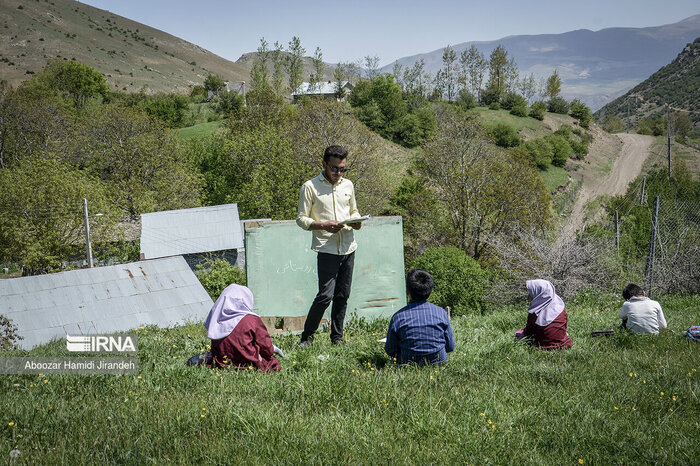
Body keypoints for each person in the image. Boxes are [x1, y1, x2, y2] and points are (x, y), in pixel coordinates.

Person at [296, 145, 362, 346]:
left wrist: (357, 220)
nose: (338, 173)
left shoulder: (348, 185)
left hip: (349, 246)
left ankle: (337, 338)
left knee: (342, 295)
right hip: (327, 249)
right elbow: (301, 219)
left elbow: (354, 211)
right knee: (325, 296)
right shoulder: (310, 187)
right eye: (334, 168)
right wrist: (323, 225)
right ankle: (306, 338)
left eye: (342, 169)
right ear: (324, 164)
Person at [203, 284, 281, 372]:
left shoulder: (216, 317)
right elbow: (266, 347)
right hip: (248, 362)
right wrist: (271, 349)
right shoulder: (252, 320)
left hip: (222, 362)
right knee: (272, 362)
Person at [385, 269, 456, 365]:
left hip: (407, 364)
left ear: (407, 291)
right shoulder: (441, 313)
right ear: (430, 290)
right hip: (439, 362)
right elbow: (450, 347)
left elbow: (390, 350)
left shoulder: (398, 317)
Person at [518, 279, 573, 349]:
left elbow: (529, 331)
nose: (529, 296)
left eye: (531, 293)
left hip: (543, 345)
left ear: (539, 293)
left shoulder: (535, 310)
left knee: (521, 335)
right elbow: (564, 325)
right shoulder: (560, 306)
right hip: (563, 344)